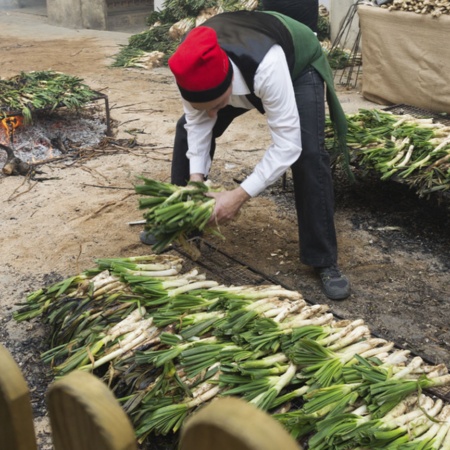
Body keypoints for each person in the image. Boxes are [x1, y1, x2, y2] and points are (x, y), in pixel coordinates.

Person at [143, 10, 351, 301]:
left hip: (296, 62)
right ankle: (182, 222)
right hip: (240, 60)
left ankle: (324, 259)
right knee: (185, 129)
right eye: (205, 107)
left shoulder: (267, 66)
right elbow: (198, 126)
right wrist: (195, 180)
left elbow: (287, 145)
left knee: (309, 152)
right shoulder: (189, 67)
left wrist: (238, 196)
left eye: (217, 105)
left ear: (229, 82)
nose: (213, 115)